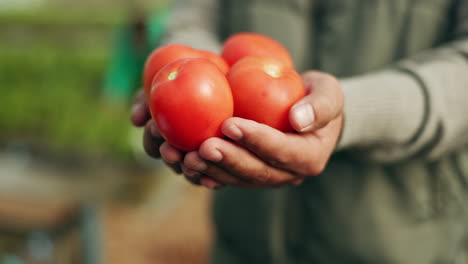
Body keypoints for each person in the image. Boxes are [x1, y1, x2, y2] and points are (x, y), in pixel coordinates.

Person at [131, 0, 468, 263]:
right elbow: (194, 15)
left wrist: (350, 111)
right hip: (244, 242)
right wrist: (188, 62)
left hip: (401, 244)